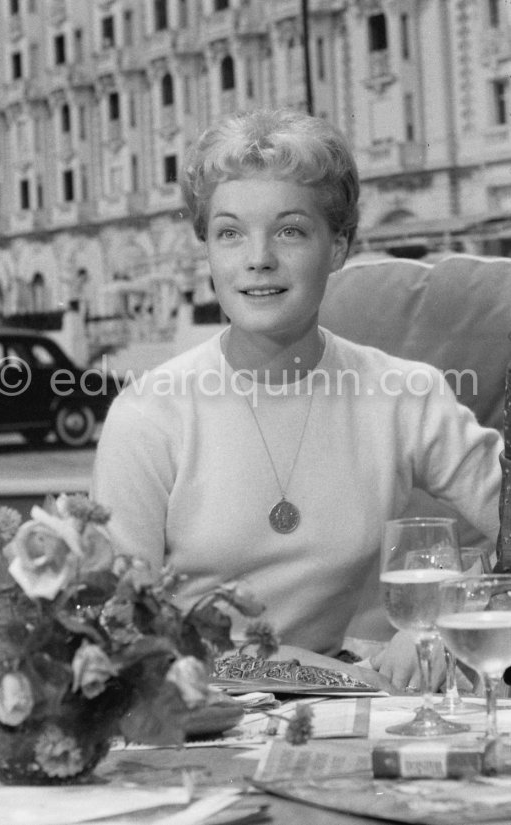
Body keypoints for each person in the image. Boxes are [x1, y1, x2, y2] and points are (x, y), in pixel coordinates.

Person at [92, 108, 501, 692]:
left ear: (338, 247)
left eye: (289, 230)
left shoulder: (403, 394)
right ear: (207, 250)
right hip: (188, 718)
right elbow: (117, 627)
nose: (258, 258)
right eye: (230, 232)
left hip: (346, 715)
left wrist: (445, 617)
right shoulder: (148, 417)